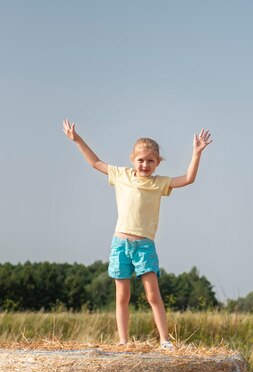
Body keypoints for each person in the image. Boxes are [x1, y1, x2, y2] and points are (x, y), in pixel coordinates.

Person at [62, 119, 212, 347]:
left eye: (150, 161)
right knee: (122, 297)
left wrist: (197, 153)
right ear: (132, 159)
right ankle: (123, 341)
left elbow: (189, 179)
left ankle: (164, 340)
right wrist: (77, 139)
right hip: (120, 244)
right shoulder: (121, 175)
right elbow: (95, 163)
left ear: (158, 163)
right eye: (141, 160)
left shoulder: (159, 183)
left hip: (144, 246)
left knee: (153, 296)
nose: (145, 164)